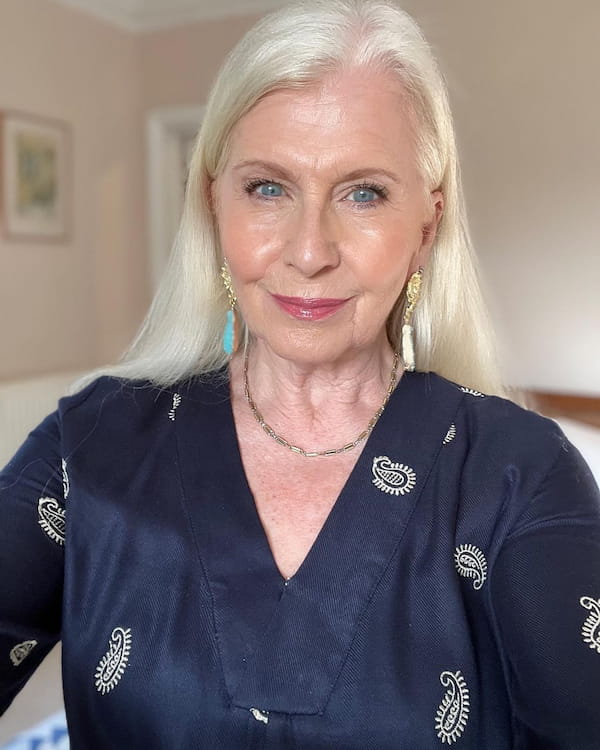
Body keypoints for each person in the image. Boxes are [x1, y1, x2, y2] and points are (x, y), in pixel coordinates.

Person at [1, 1, 599, 747]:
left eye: (363, 192)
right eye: (268, 188)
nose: (310, 251)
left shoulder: (521, 477)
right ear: (213, 203)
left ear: (425, 227)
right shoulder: (92, 443)